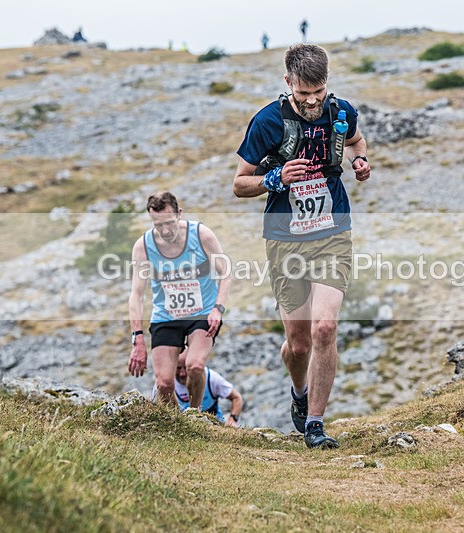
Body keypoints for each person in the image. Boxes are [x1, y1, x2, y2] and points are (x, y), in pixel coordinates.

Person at [233, 44, 370, 448]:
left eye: (319, 90)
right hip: (284, 239)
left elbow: (359, 142)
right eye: (304, 91)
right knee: (299, 343)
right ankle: (299, 393)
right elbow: (239, 184)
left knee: (325, 328)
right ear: (288, 81)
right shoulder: (267, 122)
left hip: (332, 232)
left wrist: (361, 162)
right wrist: (275, 179)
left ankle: (314, 424)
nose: (312, 100)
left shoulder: (341, 111)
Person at [128, 191, 232, 412]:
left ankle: (196, 416)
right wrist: (137, 338)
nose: (165, 231)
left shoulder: (201, 235)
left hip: (202, 314)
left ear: (179, 214)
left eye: (169, 223)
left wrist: (218, 308)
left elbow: (226, 272)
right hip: (167, 317)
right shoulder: (143, 246)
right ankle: (179, 424)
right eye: (158, 225)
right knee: (164, 384)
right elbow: (137, 294)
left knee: (194, 365)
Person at [152, 349, 243, 427]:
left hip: (213, 427)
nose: (182, 373)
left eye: (186, 368)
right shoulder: (164, 383)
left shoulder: (211, 378)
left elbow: (236, 397)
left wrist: (232, 419)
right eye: (178, 368)